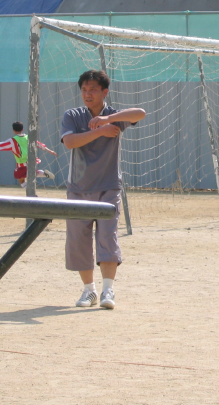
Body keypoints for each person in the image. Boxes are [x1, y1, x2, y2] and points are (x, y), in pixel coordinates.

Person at [61, 69, 146, 310]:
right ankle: (89, 291)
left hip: (108, 187)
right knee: (78, 240)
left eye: (93, 90)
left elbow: (140, 113)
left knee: (107, 237)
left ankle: (108, 289)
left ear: (104, 92)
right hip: (78, 188)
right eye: (84, 90)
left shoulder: (114, 116)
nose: (87, 94)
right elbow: (69, 142)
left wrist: (107, 120)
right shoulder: (72, 115)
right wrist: (98, 131)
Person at [0, 121, 56, 187]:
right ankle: (43, 174)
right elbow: (39, 144)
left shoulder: (13, 140)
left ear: (13, 130)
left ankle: (29, 188)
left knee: (20, 178)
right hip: (32, 160)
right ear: (22, 129)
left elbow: (1, 144)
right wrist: (50, 150)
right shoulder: (28, 137)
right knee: (31, 172)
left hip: (22, 162)